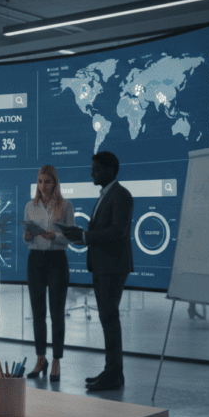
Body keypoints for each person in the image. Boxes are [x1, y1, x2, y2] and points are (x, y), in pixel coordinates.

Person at [61, 151, 134, 392]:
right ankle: (113, 372)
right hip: (103, 266)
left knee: (109, 319)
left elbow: (117, 232)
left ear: (111, 169)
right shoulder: (106, 195)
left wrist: (85, 236)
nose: (91, 172)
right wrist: (80, 234)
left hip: (112, 267)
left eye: (96, 168)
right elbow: (106, 230)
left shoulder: (121, 195)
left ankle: (113, 374)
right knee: (107, 319)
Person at [23, 165, 74, 382]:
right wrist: (28, 234)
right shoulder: (30, 206)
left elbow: (70, 236)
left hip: (56, 260)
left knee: (57, 313)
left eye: (47, 181)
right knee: (38, 313)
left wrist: (56, 236)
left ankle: (56, 361)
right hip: (35, 259)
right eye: (40, 181)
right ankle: (41, 358)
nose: (43, 186)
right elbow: (26, 238)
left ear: (55, 183)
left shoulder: (65, 205)